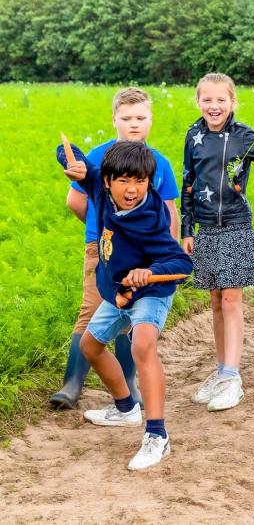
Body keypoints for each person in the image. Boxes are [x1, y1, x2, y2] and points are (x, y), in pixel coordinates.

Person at [57, 140, 193, 470]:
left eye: (140, 181)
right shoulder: (99, 187)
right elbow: (76, 159)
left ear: (148, 181)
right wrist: (69, 159)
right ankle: (125, 408)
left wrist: (151, 271)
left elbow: (181, 263)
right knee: (90, 346)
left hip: (150, 292)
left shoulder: (150, 219)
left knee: (142, 346)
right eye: (124, 181)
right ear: (107, 181)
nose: (132, 189)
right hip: (118, 290)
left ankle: (157, 437)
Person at [51, 88, 179, 411]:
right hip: (103, 248)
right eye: (126, 118)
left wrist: (168, 253)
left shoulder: (159, 163)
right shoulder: (98, 156)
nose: (134, 124)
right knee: (92, 308)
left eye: (140, 118)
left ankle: (128, 387)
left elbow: (169, 210)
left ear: (151, 119)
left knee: (132, 315)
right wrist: (103, 231)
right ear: (114, 120)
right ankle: (72, 383)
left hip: (145, 255)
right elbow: (75, 199)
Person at [181, 73, 254, 413]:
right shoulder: (193, 136)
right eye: (208, 99)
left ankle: (233, 378)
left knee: (232, 301)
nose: (214, 106)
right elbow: (187, 184)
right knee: (216, 303)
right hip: (206, 231)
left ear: (233, 102)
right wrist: (187, 231)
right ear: (198, 101)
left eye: (221, 100)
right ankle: (221, 372)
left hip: (236, 228)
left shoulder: (245, 136)